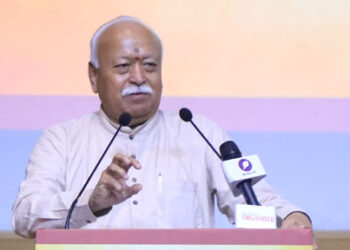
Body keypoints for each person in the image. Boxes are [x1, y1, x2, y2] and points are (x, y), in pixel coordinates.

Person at [12, 16, 313, 239]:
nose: (139, 77)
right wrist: (91, 201)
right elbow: (25, 217)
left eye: (150, 66)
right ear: (94, 76)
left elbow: (251, 200)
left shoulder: (199, 133)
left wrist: (290, 216)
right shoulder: (61, 140)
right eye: (123, 67)